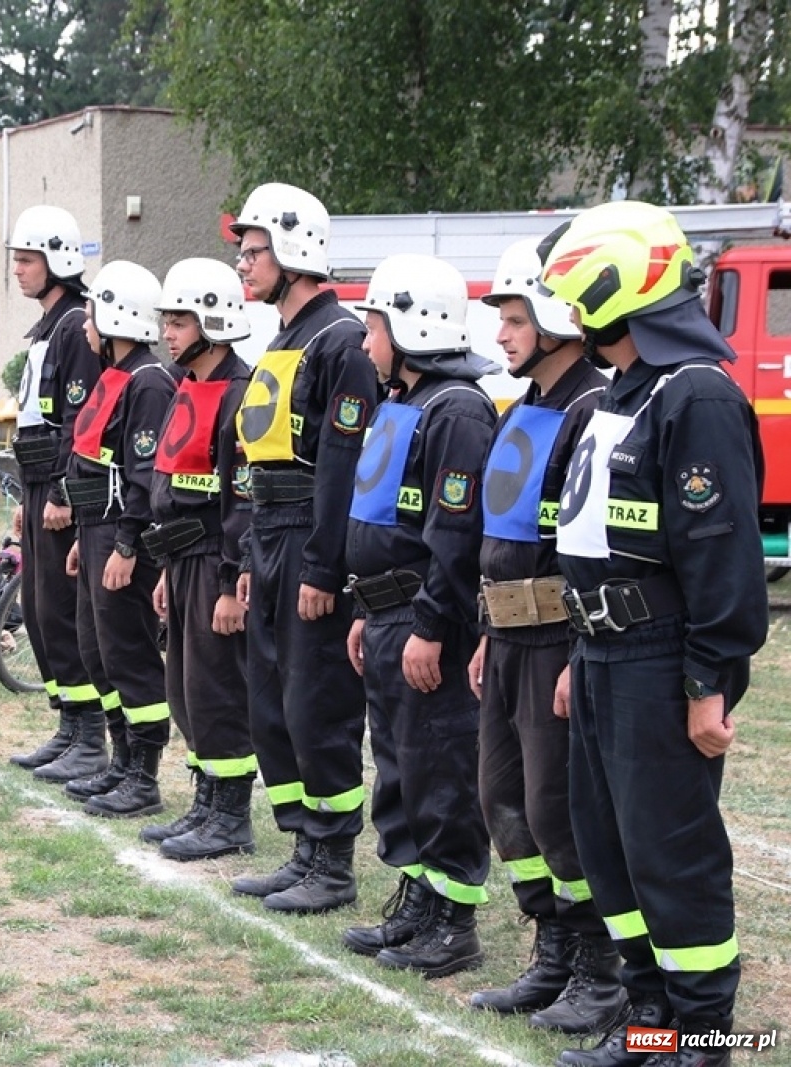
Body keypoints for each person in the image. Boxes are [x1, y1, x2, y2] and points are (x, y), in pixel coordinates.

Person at [539, 202, 768, 1067]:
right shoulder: (624, 391)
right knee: (611, 853)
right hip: (599, 654)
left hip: (658, 658)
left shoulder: (696, 393)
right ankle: (650, 1026)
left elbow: (720, 553)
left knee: (671, 854)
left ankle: (704, 1041)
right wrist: (576, 651)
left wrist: (711, 680)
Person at [465, 240, 623, 1035]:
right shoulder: (523, 406)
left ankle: (601, 968)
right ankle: (553, 949)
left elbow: (579, 546)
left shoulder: (591, 405)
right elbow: (505, 535)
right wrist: (489, 629)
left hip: (560, 639)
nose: (501, 333)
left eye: (515, 317)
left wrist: (571, 650)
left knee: (557, 810)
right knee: (504, 799)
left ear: (560, 319)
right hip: (509, 633)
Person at [342, 253, 497, 976]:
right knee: (401, 769)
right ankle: (417, 900)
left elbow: (453, 535)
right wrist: (363, 608)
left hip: (422, 618)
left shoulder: (458, 409)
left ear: (410, 326)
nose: (367, 342)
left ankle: (453, 919)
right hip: (386, 615)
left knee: (440, 769)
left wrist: (431, 625)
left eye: (373, 325)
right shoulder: (407, 401)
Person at [227, 183, 380, 914]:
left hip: (312, 545)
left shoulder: (340, 341)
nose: (242, 264)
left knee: (317, 704)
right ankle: (302, 846)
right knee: (273, 704)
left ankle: (335, 859)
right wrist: (257, 557)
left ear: (294, 251)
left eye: (252, 250)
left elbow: (344, 467)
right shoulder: (282, 339)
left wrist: (324, 564)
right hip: (272, 538)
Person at [139, 258, 254, 859]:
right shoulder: (186, 385)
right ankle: (205, 802)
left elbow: (243, 498)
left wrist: (233, 583)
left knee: (217, 690)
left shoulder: (242, 394)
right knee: (185, 690)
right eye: (167, 319)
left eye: (179, 320)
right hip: (181, 561)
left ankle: (231, 816)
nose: (168, 331)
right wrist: (163, 568)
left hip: (215, 562)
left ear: (213, 320)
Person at [61, 260, 179, 817]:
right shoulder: (118, 375)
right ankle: (121, 758)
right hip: (97, 531)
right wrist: (87, 537)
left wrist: (126, 546)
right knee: (96, 649)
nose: (85, 327)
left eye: (91, 315)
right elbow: (96, 465)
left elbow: (143, 474)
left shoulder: (150, 382)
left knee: (128, 653)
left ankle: (144, 775)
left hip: (122, 538)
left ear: (114, 318)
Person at [4, 205, 108, 782]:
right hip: (39, 483)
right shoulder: (48, 325)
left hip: (61, 489)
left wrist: (65, 492)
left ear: (58, 262)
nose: (17, 270)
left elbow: (79, 419)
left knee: (61, 612)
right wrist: (29, 491)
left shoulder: (74, 324)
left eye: (27, 260)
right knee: (39, 611)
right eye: (16, 259)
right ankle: (67, 724)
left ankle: (89, 735)